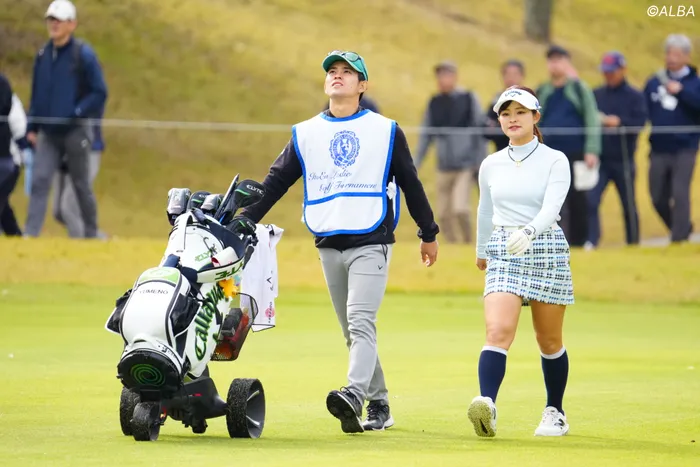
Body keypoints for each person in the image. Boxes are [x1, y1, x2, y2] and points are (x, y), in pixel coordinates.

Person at [239, 50, 440, 434]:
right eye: (332, 71)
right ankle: (380, 405)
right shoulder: (306, 133)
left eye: (348, 72)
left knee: (360, 322)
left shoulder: (385, 130)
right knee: (353, 331)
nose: (338, 76)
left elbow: (410, 182)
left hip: (372, 239)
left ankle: (353, 394)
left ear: (362, 85)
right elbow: (276, 182)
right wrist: (244, 218)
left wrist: (427, 232)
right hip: (329, 242)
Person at [468, 85, 573, 438]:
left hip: (545, 247)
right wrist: (482, 249)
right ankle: (487, 405)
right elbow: (485, 209)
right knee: (497, 331)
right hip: (503, 250)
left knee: (549, 340)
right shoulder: (491, 163)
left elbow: (552, 207)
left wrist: (528, 232)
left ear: (535, 117)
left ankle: (555, 411)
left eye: (520, 112)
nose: (512, 119)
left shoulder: (555, 159)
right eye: (505, 113)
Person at [24, 0, 108, 238]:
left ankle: (91, 233)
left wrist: (77, 112)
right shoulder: (43, 55)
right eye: (51, 20)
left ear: (72, 24)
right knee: (39, 181)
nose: (54, 25)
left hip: (76, 131)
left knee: (81, 184)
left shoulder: (83, 55)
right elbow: (37, 93)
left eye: (59, 21)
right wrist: (32, 126)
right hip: (48, 133)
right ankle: (31, 233)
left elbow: (99, 92)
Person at [414, 60, 486, 244]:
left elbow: (480, 132)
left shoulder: (468, 99)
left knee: (460, 209)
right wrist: (415, 165)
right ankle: (454, 245)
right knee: (443, 214)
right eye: (439, 75)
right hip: (444, 166)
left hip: (466, 165)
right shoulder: (434, 103)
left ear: (454, 77)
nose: (442, 79)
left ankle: (468, 242)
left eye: (446, 75)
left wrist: (480, 161)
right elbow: (426, 136)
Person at [537, 45, 601, 248]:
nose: (555, 65)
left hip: (575, 152)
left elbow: (591, 119)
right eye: (552, 60)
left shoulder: (579, 89)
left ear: (567, 63)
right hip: (549, 154)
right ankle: (554, 242)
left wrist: (592, 149)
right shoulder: (543, 90)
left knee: (578, 199)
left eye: (559, 60)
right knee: (552, 200)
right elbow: (536, 121)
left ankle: (579, 242)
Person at [587, 52, 648, 249]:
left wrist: (620, 122)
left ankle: (633, 243)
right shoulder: (596, 95)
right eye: (605, 72)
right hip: (601, 160)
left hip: (624, 159)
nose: (608, 76)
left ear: (622, 70)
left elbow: (640, 122)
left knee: (628, 204)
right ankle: (592, 241)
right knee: (591, 200)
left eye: (612, 72)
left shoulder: (635, 96)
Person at [644, 33, 700, 243]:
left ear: (687, 56)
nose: (671, 58)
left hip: (685, 147)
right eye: (669, 53)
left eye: (676, 54)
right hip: (658, 147)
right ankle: (682, 227)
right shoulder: (654, 82)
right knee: (657, 196)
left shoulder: (694, 83)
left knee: (680, 192)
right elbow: (644, 109)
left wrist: (682, 92)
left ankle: (679, 239)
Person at [52, 104, 107, 238]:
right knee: (58, 211)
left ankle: (85, 242)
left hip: (87, 149)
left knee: (68, 206)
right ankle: (97, 238)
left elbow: (94, 104)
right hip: (62, 148)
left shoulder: (89, 93)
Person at [1, 92, 30, 236]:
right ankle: (15, 235)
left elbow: (20, 129)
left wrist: (23, 150)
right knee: (3, 206)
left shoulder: (7, 97)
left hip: (9, 161)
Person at [485, 60, 526, 152]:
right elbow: (488, 128)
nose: (511, 78)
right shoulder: (496, 100)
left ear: (522, 76)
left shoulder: (529, 100)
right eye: (508, 74)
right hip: (502, 150)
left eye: (515, 74)